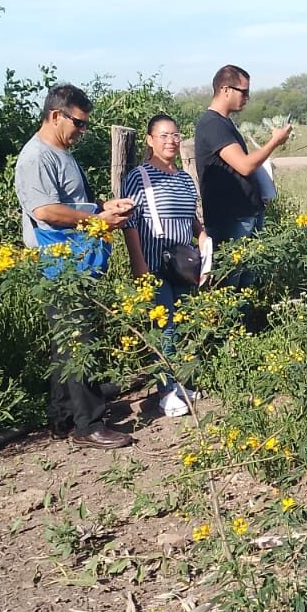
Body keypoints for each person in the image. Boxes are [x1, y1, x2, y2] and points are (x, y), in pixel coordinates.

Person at [13, 83, 138, 449]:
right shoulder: (36, 157)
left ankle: (63, 418)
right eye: (79, 123)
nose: (82, 131)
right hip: (59, 265)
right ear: (55, 116)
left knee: (65, 344)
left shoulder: (61, 152)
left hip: (73, 262)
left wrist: (105, 207)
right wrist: (96, 223)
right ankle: (89, 425)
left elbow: (74, 202)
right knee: (77, 341)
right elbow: (45, 211)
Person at [121, 114, 207, 418]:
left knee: (184, 324)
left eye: (175, 135)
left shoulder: (184, 177)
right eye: (163, 135)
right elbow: (130, 223)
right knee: (164, 328)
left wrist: (203, 242)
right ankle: (165, 391)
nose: (170, 141)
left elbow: (192, 218)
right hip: (155, 264)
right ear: (150, 140)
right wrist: (139, 263)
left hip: (183, 265)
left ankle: (181, 383)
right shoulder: (139, 176)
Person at [194, 64, 293, 247]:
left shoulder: (224, 122)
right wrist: (274, 142)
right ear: (225, 90)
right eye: (243, 92)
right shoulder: (213, 124)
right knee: (233, 274)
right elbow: (244, 166)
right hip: (231, 219)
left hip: (244, 215)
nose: (247, 97)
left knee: (248, 274)